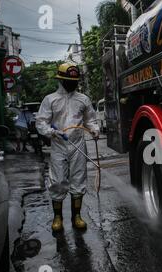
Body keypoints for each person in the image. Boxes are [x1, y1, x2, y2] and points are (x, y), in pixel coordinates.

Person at [36, 63, 99, 232]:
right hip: (58, 145)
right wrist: (52, 132)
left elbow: (90, 119)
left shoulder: (83, 99)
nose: (72, 84)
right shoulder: (50, 99)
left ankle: (76, 216)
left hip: (78, 144)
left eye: (75, 81)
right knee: (57, 181)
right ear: (61, 80)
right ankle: (58, 217)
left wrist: (94, 129)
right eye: (69, 81)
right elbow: (41, 122)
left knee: (78, 180)